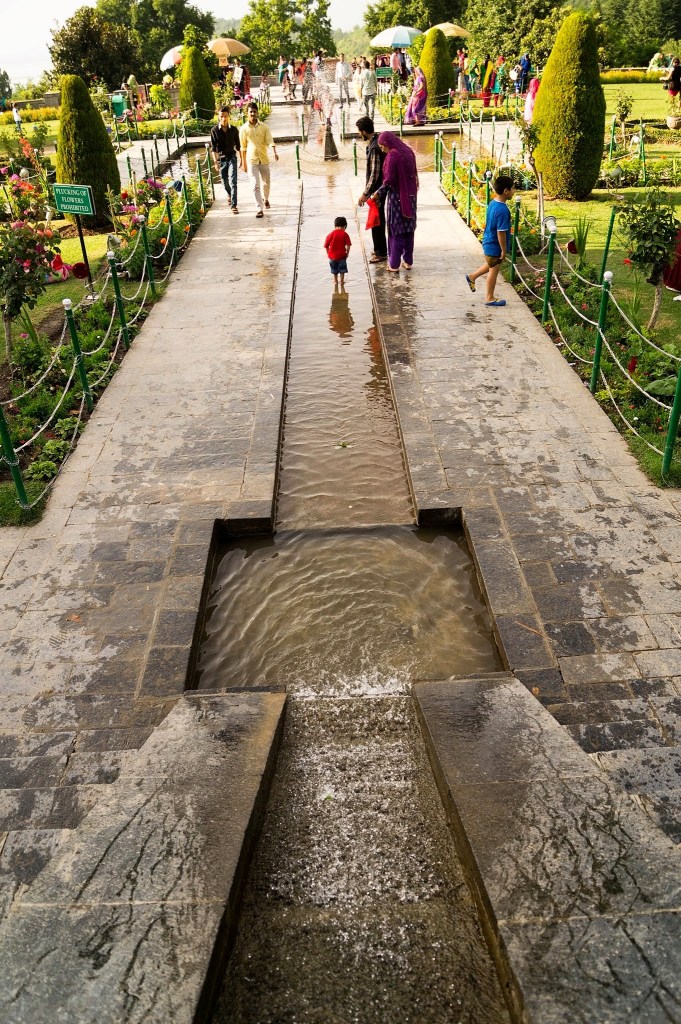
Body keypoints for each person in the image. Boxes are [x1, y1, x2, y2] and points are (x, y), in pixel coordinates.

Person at [370, 131, 418, 272]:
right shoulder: (408, 151)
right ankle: (408, 262)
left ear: (388, 143)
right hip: (411, 196)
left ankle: (394, 264)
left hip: (397, 197)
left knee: (396, 230)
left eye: (383, 146)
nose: (382, 149)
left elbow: (389, 181)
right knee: (409, 229)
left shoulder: (393, 155)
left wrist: (378, 194)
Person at [465, 173, 515, 307]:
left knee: (491, 265)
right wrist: (504, 250)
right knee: (493, 269)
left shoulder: (493, 203)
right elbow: (501, 233)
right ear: (506, 191)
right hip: (495, 245)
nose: (514, 191)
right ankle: (489, 297)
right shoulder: (503, 210)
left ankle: (473, 277)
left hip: (488, 241)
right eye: (513, 188)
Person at [356, 115, 387, 264]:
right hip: (378, 189)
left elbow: (374, 175)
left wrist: (364, 194)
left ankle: (381, 252)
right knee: (377, 219)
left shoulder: (375, 148)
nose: (358, 134)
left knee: (377, 220)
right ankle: (379, 248)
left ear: (363, 131)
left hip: (377, 191)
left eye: (359, 131)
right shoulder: (376, 141)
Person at [239, 102, 278, 218]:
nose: (253, 114)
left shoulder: (264, 127)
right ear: (247, 113)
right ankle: (259, 208)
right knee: (255, 185)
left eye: (254, 112)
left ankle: (266, 199)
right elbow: (243, 147)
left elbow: (269, 140)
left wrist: (274, 151)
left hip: (264, 158)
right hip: (251, 160)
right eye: (250, 112)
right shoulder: (243, 129)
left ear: (257, 113)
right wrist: (243, 163)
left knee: (266, 183)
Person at [211, 105, 241, 213]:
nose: (224, 118)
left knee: (233, 181)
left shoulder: (234, 130)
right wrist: (215, 162)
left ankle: (234, 205)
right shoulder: (214, 130)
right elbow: (213, 148)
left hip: (232, 157)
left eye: (225, 116)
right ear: (218, 117)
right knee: (224, 182)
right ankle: (229, 193)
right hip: (221, 159)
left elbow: (238, 146)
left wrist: (242, 160)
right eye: (221, 116)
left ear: (229, 116)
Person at [324, 215, 352, 287]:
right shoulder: (345, 234)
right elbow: (348, 245)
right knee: (342, 270)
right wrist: (347, 253)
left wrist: (328, 254)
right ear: (345, 226)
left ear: (335, 225)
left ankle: (335, 281)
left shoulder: (330, 234)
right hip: (342, 256)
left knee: (334, 270)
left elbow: (326, 246)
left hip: (332, 257)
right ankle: (342, 281)